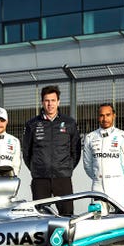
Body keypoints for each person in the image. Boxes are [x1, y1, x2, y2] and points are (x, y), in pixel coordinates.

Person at [23, 85, 81, 216]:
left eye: (53, 100)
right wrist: (36, 168)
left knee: (67, 215)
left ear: (58, 102)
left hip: (63, 178)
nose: (50, 104)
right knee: (40, 216)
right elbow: (27, 151)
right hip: (40, 179)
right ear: (42, 102)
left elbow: (75, 150)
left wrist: (67, 168)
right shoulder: (32, 124)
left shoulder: (69, 123)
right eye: (47, 101)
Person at [83, 103, 124, 211]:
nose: (105, 119)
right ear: (98, 117)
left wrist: (123, 183)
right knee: (98, 222)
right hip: (97, 187)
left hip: (118, 187)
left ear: (114, 115)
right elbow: (87, 165)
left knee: (121, 222)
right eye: (102, 115)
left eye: (108, 115)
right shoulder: (90, 137)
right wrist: (98, 177)